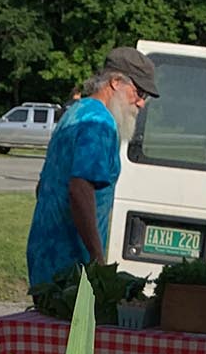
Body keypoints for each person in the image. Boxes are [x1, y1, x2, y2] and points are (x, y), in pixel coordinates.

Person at [25, 47, 159, 290]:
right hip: (70, 266)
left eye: (145, 97)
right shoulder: (99, 124)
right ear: (116, 82)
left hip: (44, 256)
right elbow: (79, 189)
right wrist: (97, 258)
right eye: (138, 92)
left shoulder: (76, 112)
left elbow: (43, 185)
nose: (141, 103)